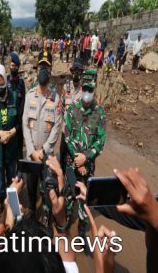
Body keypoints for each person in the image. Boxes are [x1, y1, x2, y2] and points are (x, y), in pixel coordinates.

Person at [64, 72, 106, 237]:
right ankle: (65, 222)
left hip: (88, 167)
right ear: (81, 88)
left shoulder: (100, 113)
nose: (87, 92)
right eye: (85, 88)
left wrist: (86, 158)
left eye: (90, 89)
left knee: (84, 199)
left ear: (94, 89)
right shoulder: (72, 109)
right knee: (69, 194)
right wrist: (78, 159)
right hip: (71, 164)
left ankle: (82, 231)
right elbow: (67, 136)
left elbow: (100, 142)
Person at [23, 51, 62, 215]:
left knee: (48, 187)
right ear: (37, 70)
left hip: (47, 156)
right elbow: (25, 124)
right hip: (32, 154)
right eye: (41, 67)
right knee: (30, 186)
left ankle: (47, 215)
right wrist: (32, 151)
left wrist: (43, 151)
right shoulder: (29, 95)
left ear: (50, 70)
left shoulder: (56, 99)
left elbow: (57, 127)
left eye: (46, 67)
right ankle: (32, 210)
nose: (43, 70)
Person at [0, 64, 20, 207]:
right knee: (0, 185)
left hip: (12, 151)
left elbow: (20, 124)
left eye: (2, 83)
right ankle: (3, 207)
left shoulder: (14, 97)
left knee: (11, 183)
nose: (0, 86)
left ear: (6, 81)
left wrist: (11, 133)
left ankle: (12, 210)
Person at [7, 52, 25, 159]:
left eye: (16, 66)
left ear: (18, 67)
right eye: (12, 66)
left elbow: (23, 103)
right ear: (9, 66)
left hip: (18, 124)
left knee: (18, 153)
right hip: (8, 122)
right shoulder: (5, 80)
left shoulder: (21, 83)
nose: (14, 68)